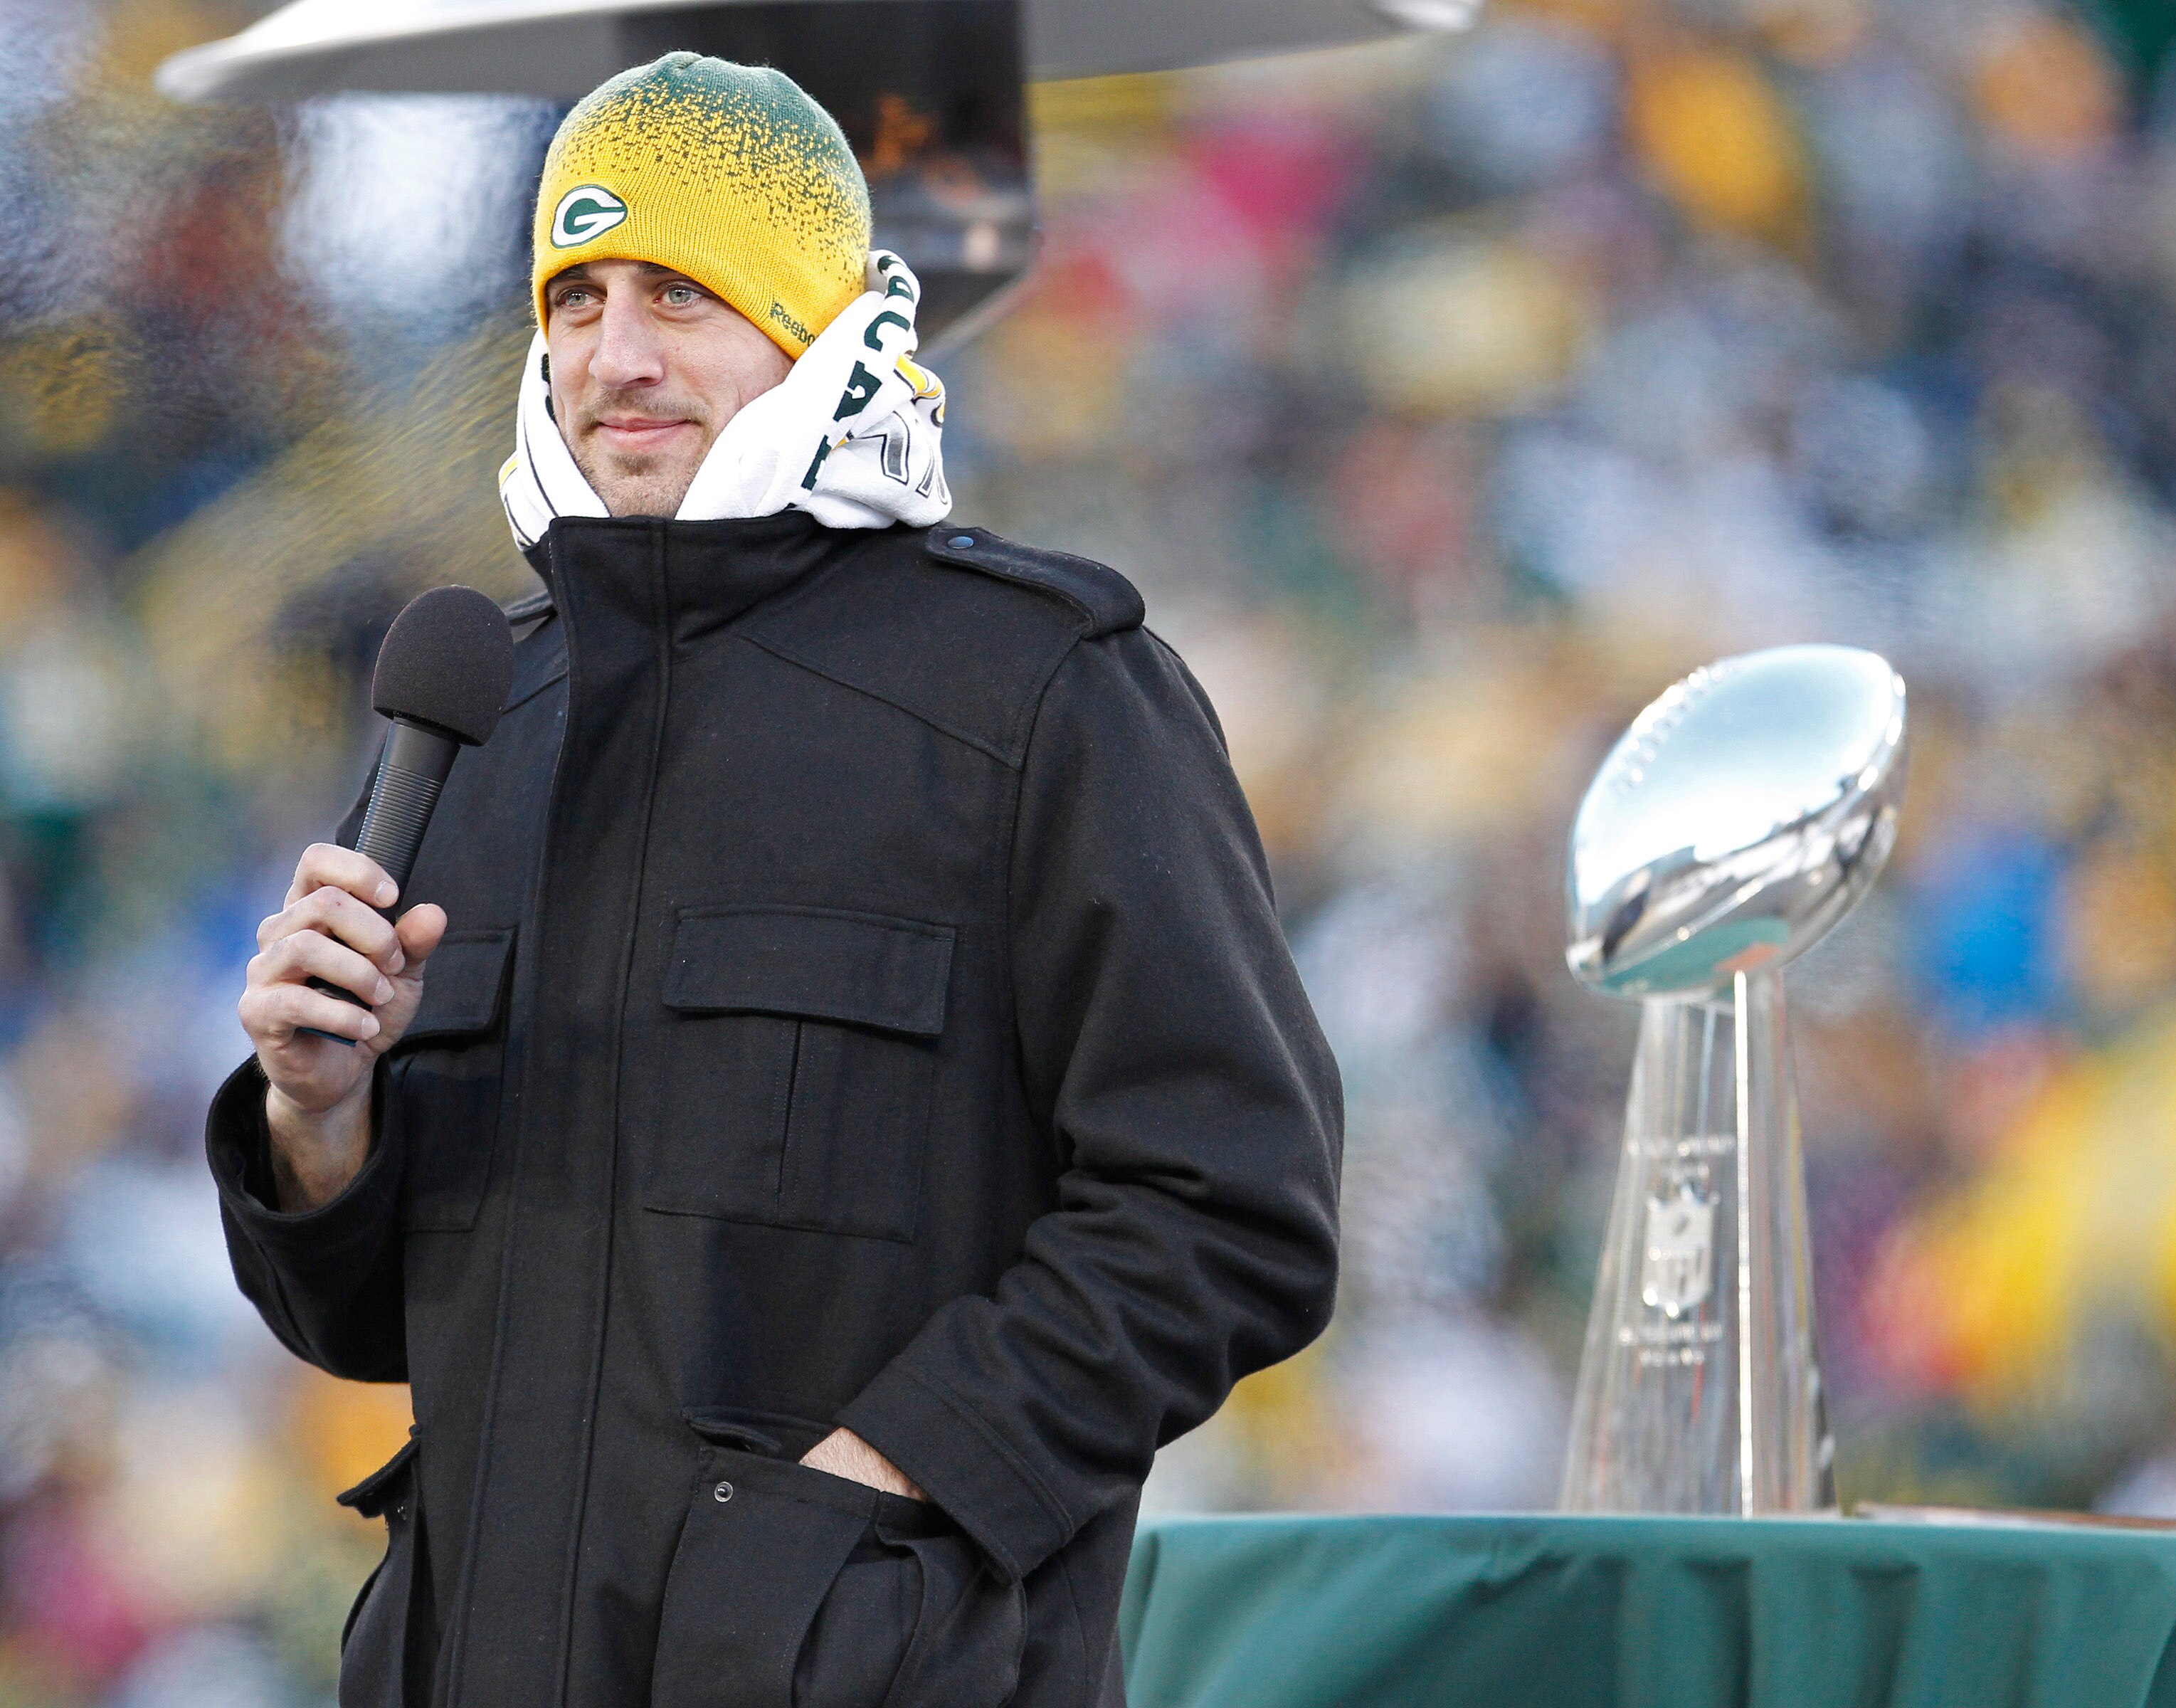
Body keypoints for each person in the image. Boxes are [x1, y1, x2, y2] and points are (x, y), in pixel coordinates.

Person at [211, 51, 1342, 1708]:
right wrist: (321, 1128)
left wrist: (875, 1483)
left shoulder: (1042, 687)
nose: (616, 356)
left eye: (680, 290)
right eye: (576, 298)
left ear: (821, 321)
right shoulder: (472, 713)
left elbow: (1232, 1209)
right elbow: (373, 1327)